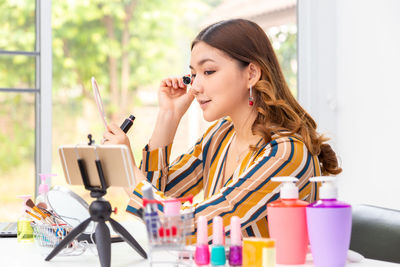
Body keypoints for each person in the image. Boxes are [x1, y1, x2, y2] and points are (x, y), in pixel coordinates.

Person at [102, 19, 342, 242]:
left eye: (208, 72)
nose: (194, 87)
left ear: (251, 74)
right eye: (193, 75)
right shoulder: (221, 135)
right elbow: (161, 196)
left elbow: (186, 228)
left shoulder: (285, 153)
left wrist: (127, 166)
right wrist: (169, 116)